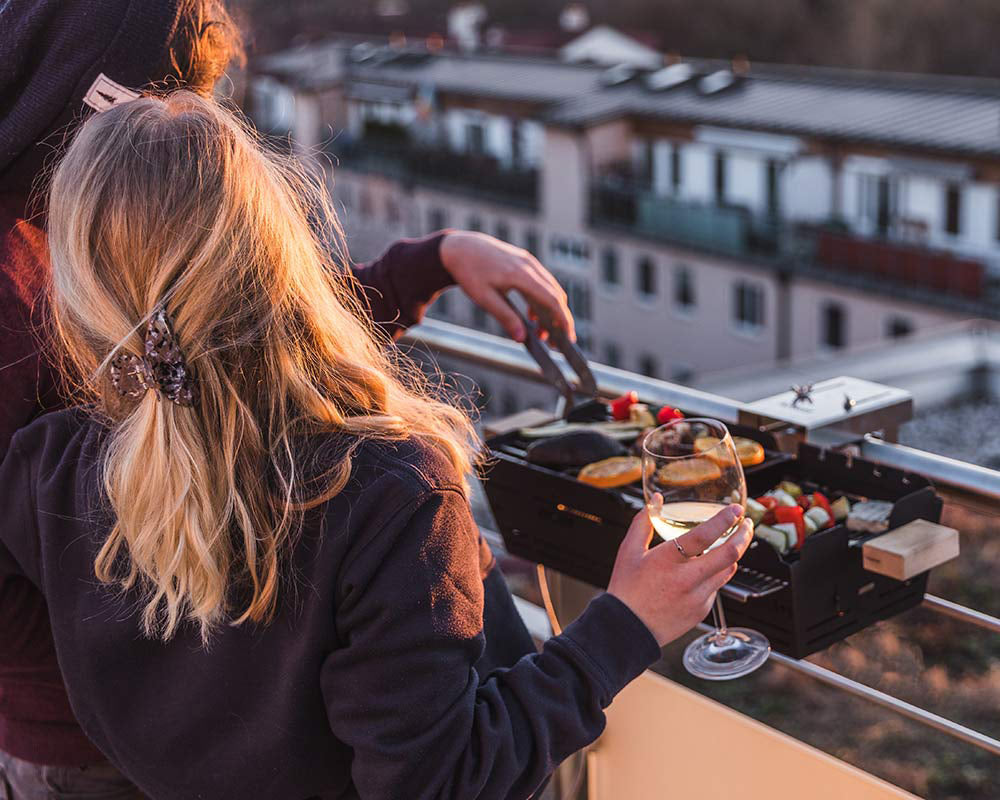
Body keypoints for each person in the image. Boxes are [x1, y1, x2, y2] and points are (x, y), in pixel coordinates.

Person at [0, 90, 752, 800]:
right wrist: (624, 626)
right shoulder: (384, 496)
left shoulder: (48, 471)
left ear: (78, 286)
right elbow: (444, 783)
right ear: (279, 253)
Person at [0, 1, 572, 795]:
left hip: (164, 725)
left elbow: (209, 342)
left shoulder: (47, 456)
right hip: (92, 742)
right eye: (160, 100)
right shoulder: (395, 495)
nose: (180, 118)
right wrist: (109, 646)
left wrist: (422, 266)